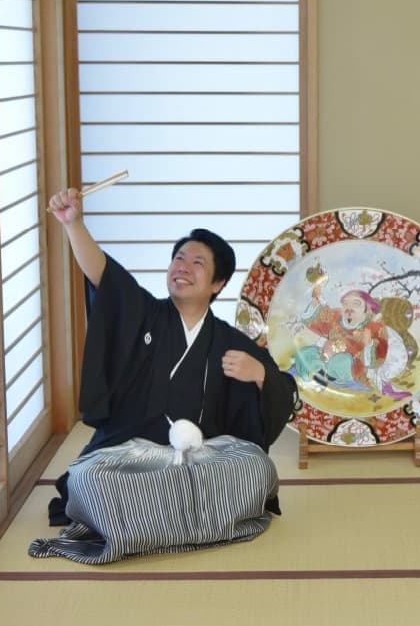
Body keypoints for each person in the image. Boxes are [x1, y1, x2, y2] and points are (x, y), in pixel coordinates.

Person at [46, 187, 297, 525]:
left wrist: (261, 375)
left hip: (200, 461)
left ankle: (145, 520)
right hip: (133, 456)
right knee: (88, 481)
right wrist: (73, 224)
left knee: (257, 472)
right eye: (178, 259)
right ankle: (184, 520)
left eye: (197, 263)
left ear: (218, 283)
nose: (183, 268)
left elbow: (283, 393)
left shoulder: (229, 341)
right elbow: (104, 277)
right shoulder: (144, 314)